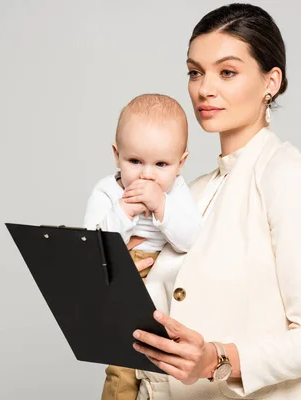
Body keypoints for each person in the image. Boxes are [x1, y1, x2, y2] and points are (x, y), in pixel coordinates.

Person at [126, 4, 301, 399]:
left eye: (227, 72)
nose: (205, 88)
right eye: (195, 72)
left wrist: (216, 359)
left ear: (270, 81)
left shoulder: (289, 179)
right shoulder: (188, 194)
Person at [83, 93, 202, 400]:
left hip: (166, 283)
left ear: (181, 163)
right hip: (124, 273)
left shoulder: (177, 192)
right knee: (122, 366)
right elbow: (93, 244)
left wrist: (161, 206)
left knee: (162, 364)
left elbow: (190, 239)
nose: (147, 174)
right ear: (116, 155)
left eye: (161, 164)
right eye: (134, 161)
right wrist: (124, 212)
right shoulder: (108, 191)